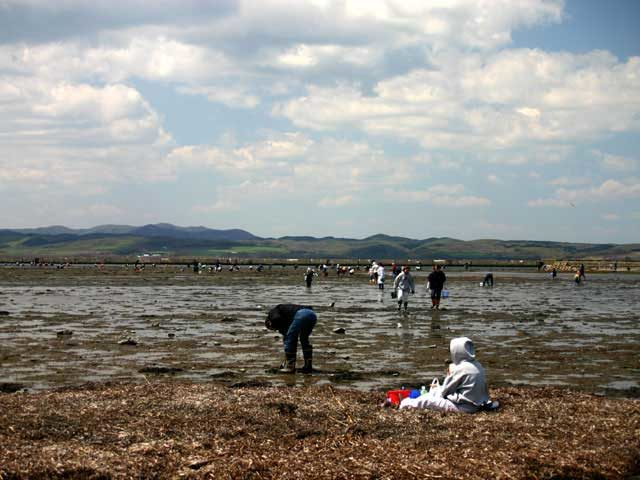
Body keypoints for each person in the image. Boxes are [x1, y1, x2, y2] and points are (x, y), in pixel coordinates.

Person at [399, 337, 491, 413]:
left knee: (427, 400)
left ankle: (403, 403)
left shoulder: (460, 369)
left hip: (463, 407)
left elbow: (444, 393)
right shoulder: (478, 365)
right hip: (477, 404)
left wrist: (445, 380)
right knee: (434, 391)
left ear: (457, 352)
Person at [265, 304, 317, 373]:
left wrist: (284, 332)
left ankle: (290, 366)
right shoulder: (285, 312)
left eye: (273, 328)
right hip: (312, 314)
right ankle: (308, 366)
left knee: (290, 338)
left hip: (301, 314)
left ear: (269, 322)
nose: (276, 330)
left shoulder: (273, 313)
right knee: (304, 339)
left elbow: (277, 319)